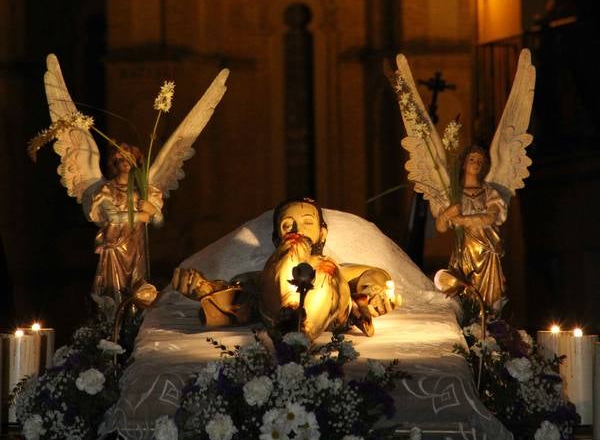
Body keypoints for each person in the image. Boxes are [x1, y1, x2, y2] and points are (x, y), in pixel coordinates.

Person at [173, 197, 396, 339]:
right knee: (257, 285)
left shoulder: (335, 269)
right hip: (276, 308)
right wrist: (205, 288)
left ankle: (299, 331)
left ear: (322, 233)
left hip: (330, 305)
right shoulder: (263, 278)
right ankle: (292, 322)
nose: (297, 229)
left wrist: (375, 291)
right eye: (287, 225)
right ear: (275, 237)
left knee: (324, 266)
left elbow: (373, 276)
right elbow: (236, 292)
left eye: (308, 222)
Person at [434, 146, 508, 311]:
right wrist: (447, 214)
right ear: (463, 163)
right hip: (464, 250)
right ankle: (470, 323)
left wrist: (461, 219)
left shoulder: (489, 192)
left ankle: (489, 324)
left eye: (480, 161)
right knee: (464, 291)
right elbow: (441, 227)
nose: (476, 163)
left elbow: (490, 217)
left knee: (490, 296)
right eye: (472, 159)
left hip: (487, 249)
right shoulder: (453, 193)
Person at [88, 143, 164, 304]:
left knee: (137, 285)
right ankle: (113, 319)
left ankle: (134, 318)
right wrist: (143, 216)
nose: (125, 162)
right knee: (114, 288)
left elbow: (159, 223)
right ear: (115, 162)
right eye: (121, 158)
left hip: (136, 244)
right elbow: (112, 217)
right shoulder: (107, 189)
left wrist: (153, 210)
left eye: (129, 158)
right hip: (114, 246)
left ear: (137, 160)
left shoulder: (145, 190)